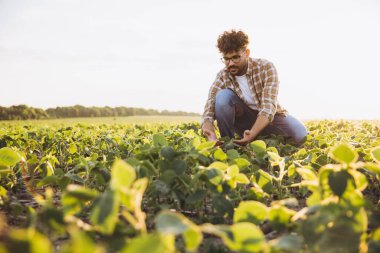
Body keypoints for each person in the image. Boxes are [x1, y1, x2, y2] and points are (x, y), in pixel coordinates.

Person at [201, 29, 308, 146]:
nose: (230, 63)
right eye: (226, 59)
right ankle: (228, 144)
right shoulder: (222, 76)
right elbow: (208, 111)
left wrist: (252, 133)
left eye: (236, 57)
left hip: (268, 119)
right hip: (243, 120)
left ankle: (256, 136)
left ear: (247, 53)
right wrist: (210, 133)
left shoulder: (266, 67)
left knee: (300, 134)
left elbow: (268, 107)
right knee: (222, 97)